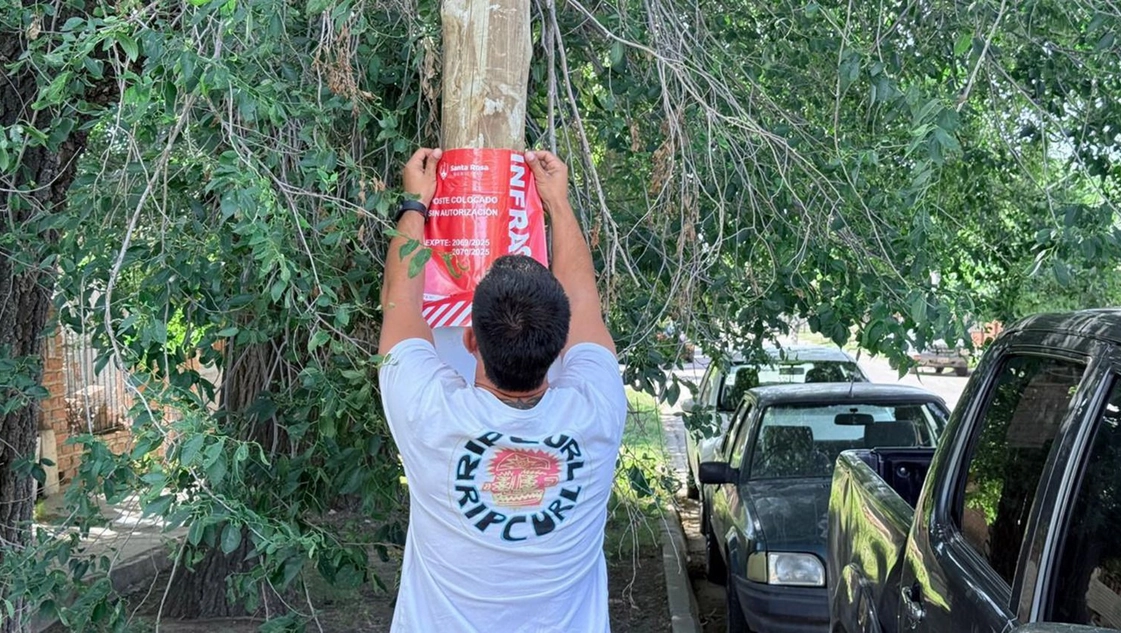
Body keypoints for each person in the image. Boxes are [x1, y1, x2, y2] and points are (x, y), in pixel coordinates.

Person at [378, 147, 626, 632]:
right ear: (562, 346)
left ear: (470, 340)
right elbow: (583, 300)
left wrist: (415, 203)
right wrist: (557, 202)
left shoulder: (429, 415)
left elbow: (399, 300)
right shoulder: (598, 409)